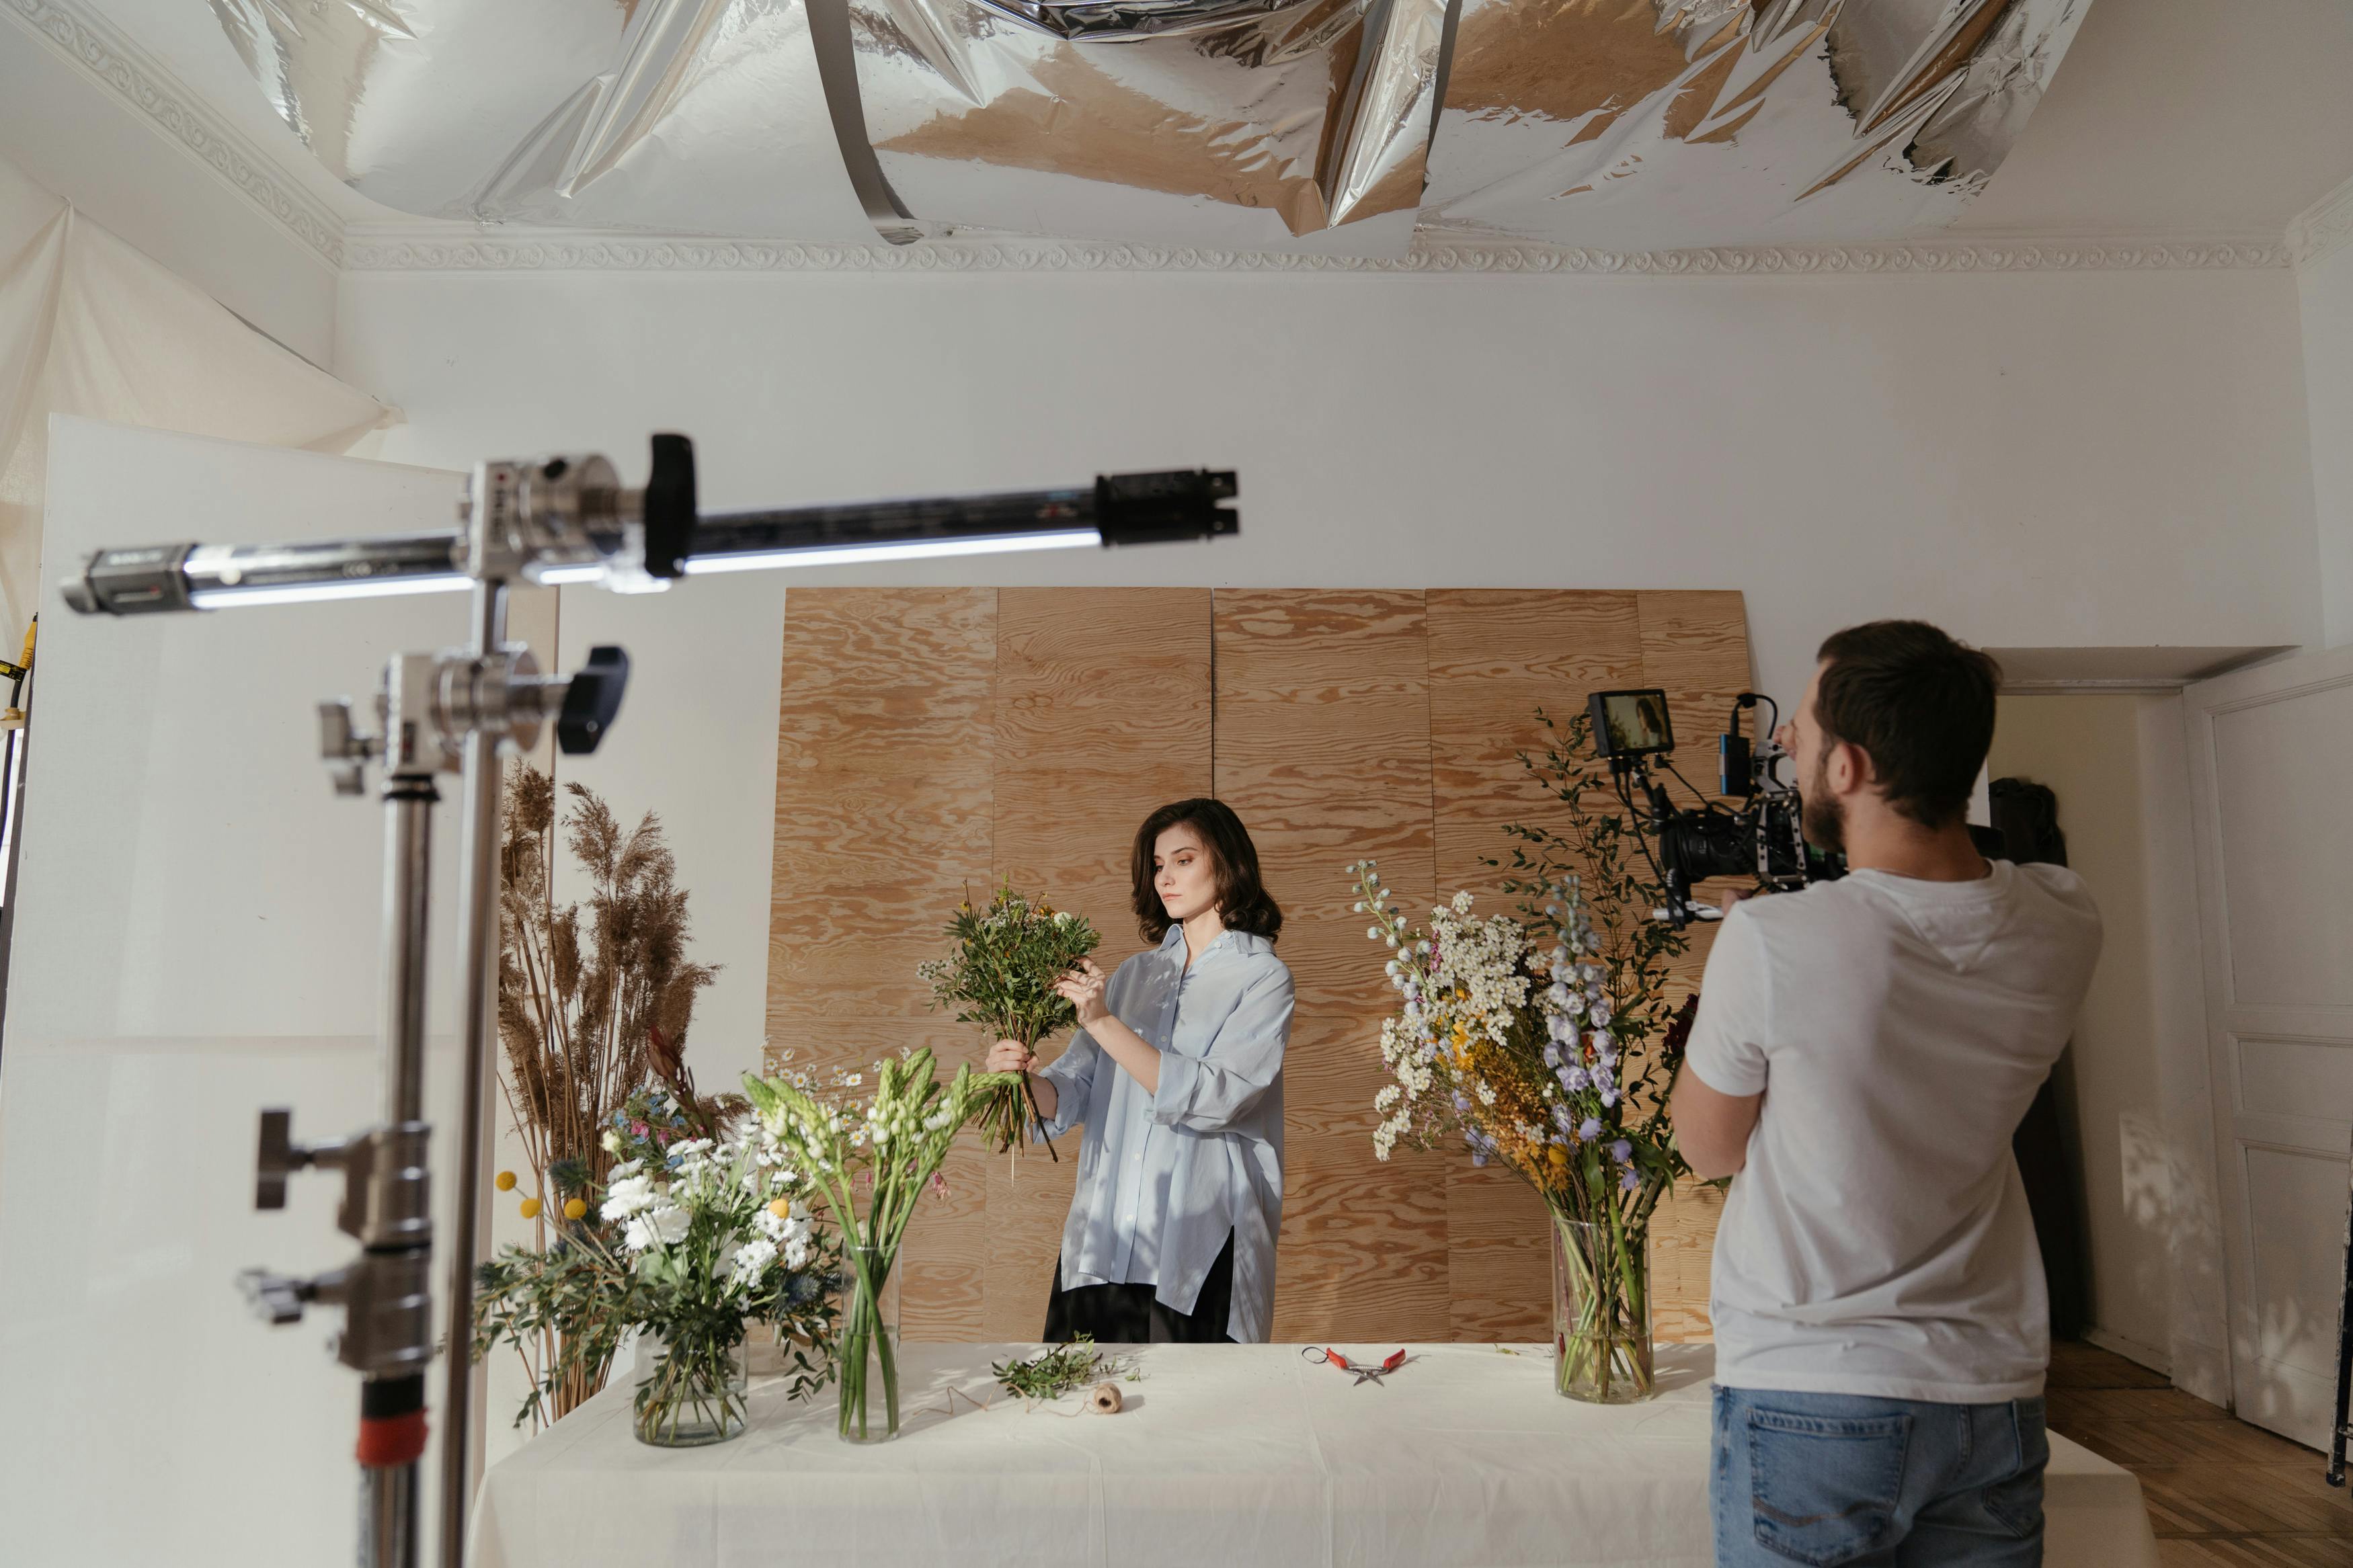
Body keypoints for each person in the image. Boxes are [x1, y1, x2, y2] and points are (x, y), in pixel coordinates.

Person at [1671, 621, 2102, 1567]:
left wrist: (1743, 959)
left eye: (1807, 725)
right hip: (1991, 1394)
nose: (1785, 740)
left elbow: (1707, 1148)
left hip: (1810, 1392)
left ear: (1852, 766)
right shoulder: (2066, 919)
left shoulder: (1777, 940)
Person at [985, 797, 1293, 1344]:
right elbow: (1073, 1088)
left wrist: (1102, 1021)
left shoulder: (1261, 977)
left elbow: (1215, 1096)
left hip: (1199, 1243)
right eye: (1157, 865)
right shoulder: (1134, 976)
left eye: (1183, 859)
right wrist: (1020, 1080)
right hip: (1106, 1233)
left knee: (1193, 1420)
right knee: (1079, 1411)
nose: (1165, 878)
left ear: (1227, 863)